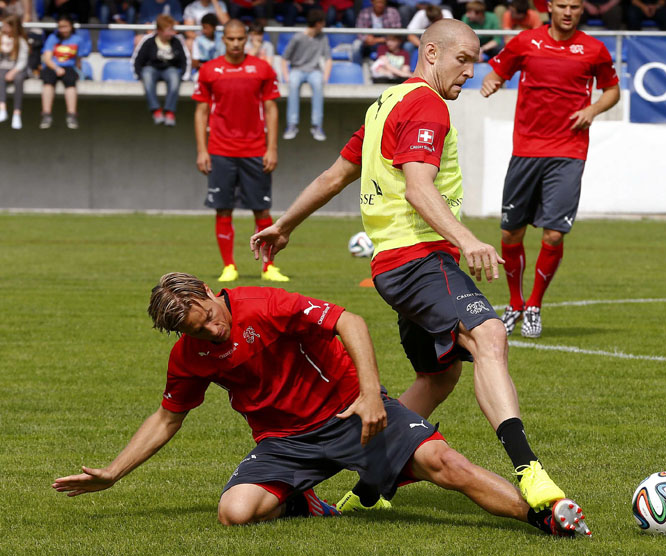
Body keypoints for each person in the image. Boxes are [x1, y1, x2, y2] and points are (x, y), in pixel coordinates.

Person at [250, 19, 591, 531]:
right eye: (464, 60)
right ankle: (530, 471)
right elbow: (418, 188)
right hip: (419, 259)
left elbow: (335, 175)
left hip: (393, 265)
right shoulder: (426, 104)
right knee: (490, 334)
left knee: (438, 376)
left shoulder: (384, 103)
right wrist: (468, 239)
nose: (471, 73)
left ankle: (367, 490)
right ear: (431, 53)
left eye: (476, 62)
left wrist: (285, 224)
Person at [52, 272, 588, 537]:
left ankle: (544, 518)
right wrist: (114, 474)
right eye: (198, 331)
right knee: (234, 513)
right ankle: (302, 498)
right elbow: (168, 416)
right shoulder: (191, 354)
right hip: (283, 443)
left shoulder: (263, 302)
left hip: (350, 413)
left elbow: (349, 321)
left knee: (446, 465)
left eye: (209, 318)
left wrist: (368, 395)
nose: (213, 331)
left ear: (211, 293)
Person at [480, 0, 619, 339]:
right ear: (551, 8)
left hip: (569, 151)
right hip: (526, 149)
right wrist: (492, 81)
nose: (568, 12)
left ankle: (534, 307)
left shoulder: (594, 49)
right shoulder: (526, 41)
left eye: (574, 6)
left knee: (554, 233)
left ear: (581, 10)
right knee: (511, 233)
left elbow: (612, 90)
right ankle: (514, 302)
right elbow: (498, 70)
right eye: (562, 5)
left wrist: (593, 109)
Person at [193, 19, 288, 283]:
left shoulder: (262, 68)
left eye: (240, 39)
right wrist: (202, 150)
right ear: (223, 39)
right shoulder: (209, 70)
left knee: (261, 210)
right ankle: (229, 266)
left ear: (246, 40)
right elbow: (200, 112)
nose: (235, 43)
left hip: (255, 150)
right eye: (230, 39)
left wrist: (272, 148)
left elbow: (271, 109)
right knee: (223, 209)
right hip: (220, 150)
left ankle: (268, 267)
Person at [281, 9, 332, 142]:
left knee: (318, 84)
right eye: (323, 22)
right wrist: (286, 76)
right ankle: (291, 125)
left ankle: (317, 125)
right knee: (293, 83)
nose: (324, 25)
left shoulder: (323, 38)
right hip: (297, 69)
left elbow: (328, 59)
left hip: (314, 71)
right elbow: (284, 58)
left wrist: (325, 77)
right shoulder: (298, 37)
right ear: (318, 23)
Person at [132, 14, 190, 126]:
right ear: (159, 30)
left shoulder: (177, 41)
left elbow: (185, 60)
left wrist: (184, 76)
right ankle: (156, 110)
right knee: (147, 73)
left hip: (169, 69)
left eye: (173, 29)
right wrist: (139, 75)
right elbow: (137, 60)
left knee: (174, 76)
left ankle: (169, 111)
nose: (173, 33)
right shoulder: (148, 41)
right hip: (152, 69)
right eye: (169, 30)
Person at [39, 15, 82, 130]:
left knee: (70, 82)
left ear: (71, 27)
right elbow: (47, 58)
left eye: (65, 26)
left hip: (68, 68)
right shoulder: (53, 38)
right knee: (48, 82)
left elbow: (78, 59)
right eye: (60, 27)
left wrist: (80, 72)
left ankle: (72, 115)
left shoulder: (77, 40)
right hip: (52, 66)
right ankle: (46, 114)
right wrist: (56, 68)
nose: (62, 29)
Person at [0, 14, 27, 130]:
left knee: (19, 79)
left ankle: (17, 113)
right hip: (3, 68)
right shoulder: (1, 39)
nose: (4, 28)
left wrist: (13, 72)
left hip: (18, 69)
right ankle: (2, 108)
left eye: (6, 26)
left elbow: (22, 61)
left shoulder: (21, 42)